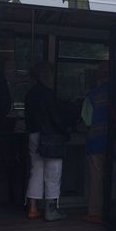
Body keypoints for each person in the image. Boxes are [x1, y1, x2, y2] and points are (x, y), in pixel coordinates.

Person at [24, 62, 68, 221]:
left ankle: (33, 208)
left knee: (36, 171)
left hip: (34, 135)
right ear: (47, 75)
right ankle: (51, 210)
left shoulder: (30, 94)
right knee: (53, 173)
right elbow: (56, 118)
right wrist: (65, 131)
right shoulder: (49, 94)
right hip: (51, 137)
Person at [81, 62, 109, 223]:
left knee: (97, 178)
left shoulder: (92, 96)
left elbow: (87, 120)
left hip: (96, 142)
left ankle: (95, 212)